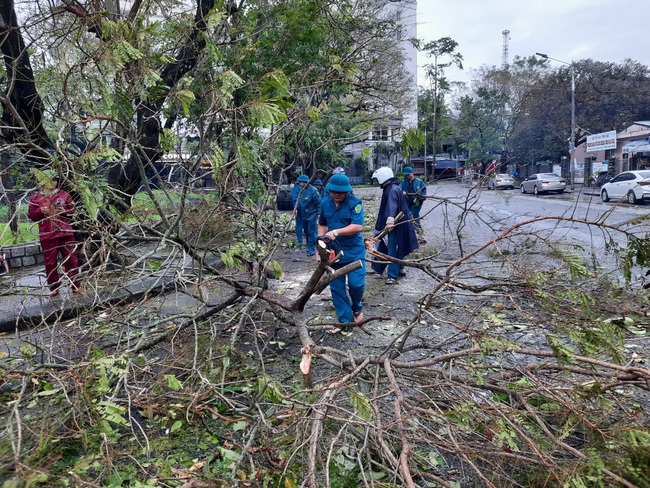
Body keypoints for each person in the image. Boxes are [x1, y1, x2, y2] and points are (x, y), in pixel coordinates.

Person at [318, 174, 365, 331]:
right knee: (337, 287)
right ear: (329, 190)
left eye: (340, 192)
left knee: (356, 284)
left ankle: (357, 306)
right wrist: (320, 246)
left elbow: (358, 226)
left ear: (347, 192)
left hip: (354, 251)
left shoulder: (355, 203)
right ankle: (345, 321)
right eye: (334, 192)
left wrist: (336, 232)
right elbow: (323, 226)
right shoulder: (325, 203)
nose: (337, 195)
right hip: (334, 253)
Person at [27, 170, 83, 298]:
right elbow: (32, 216)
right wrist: (41, 211)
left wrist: (64, 211)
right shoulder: (36, 198)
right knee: (50, 263)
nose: (52, 182)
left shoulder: (64, 195)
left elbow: (73, 212)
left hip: (66, 233)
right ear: (42, 181)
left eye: (54, 179)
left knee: (71, 260)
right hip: (47, 235)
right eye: (49, 180)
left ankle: (76, 286)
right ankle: (54, 289)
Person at [371, 166, 418, 284]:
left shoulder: (392, 189)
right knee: (399, 245)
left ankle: (392, 275)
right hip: (401, 223)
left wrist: (390, 221)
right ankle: (400, 268)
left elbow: (392, 206)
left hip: (395, 224)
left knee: (392, 248)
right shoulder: (393, 187)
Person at [295, 175, 321, 256]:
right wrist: (296, 209)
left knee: (311, 232)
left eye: (301, 182)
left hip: (312, 215)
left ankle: (312, 250)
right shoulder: (301, 190)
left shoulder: (313, 191)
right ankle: (309, 247)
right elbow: (299, 201)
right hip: (304, 215)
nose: (300, 184)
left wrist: (319, 213)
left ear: (305, 182)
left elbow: (319, 202)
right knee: (306, 232)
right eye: (299, 182)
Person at [399, 166, 427, 241]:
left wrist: (420, 195)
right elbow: (399, 189)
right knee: (408, 218)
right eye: (406, 175)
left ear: (412, 173)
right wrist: (402, 193)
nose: (407, 176)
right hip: (407, 202)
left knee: (413, 215)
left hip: (416, 203)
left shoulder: (419, 181)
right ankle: (414, 235)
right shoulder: (404, 182)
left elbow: (424, 191)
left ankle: (421, 234)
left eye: (409, 174)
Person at [291, 180, 305, 247]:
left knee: (299, 224)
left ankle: (300, 240)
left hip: (301, 208)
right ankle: (301, 240)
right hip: (302, 209)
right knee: (302, 224)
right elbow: (295, 199)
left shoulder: (296, 188)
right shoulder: (299, 188)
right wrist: (296, 208)